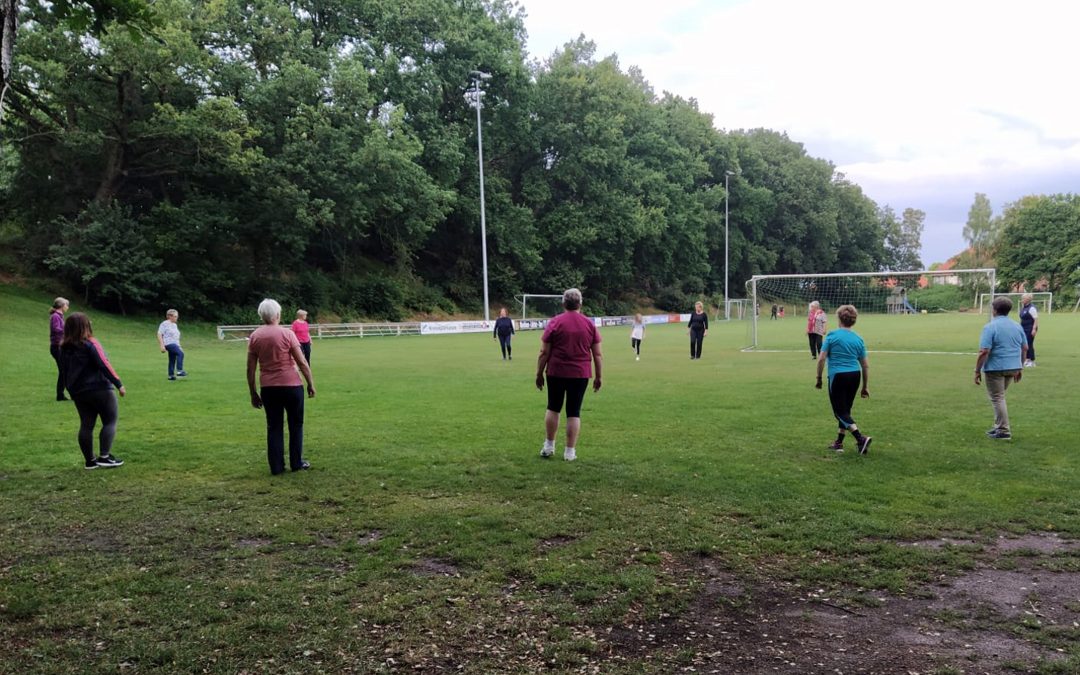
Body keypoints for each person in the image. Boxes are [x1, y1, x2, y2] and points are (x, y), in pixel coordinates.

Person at [247, 298, 317, 475]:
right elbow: (301, 361)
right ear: (277, 314)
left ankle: (277, 467)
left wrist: (253, 392)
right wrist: (310, 383)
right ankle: (296, 463)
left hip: (269, 388)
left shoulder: (255, 336)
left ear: (261, 315)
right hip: (292, 385)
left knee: (274, 426)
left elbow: (250, 368)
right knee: (296, 424)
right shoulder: (287, 334)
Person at [535, 288, 602, 461]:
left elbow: (544, 352)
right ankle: (569, 452)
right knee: (574, 411)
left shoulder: (555, 322)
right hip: (580, 374)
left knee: (553, 407)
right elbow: (597, 354)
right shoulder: (589, 324)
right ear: (581, 303)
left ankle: (549, 446)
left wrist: (539, 373)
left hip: (556, 372)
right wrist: (598, 377)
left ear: (563, 303)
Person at [59, 312, 126, 469]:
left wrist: (69, 389)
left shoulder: (63, 348)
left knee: (86, 425)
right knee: (110, 420)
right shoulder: (90, 343)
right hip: (99, 388)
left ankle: (90, 461)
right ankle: (105, 456)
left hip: (78, 391)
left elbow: (63, 371)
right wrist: (118, 384)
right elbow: (103, 364)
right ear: (85, 326)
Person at [815, 305, 872, 454]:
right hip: (855, 375)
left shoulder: (832, 336)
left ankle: (861, 439)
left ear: (839, 318)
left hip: (838, 376)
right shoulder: (858, 339)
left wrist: (819, 378)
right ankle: (839, 442)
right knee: (845, 409)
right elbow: (865, 366)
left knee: (839, 412)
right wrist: (865, 386)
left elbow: (821, 359)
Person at [975, 297, 1027, 440]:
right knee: (1000, 396)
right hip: (1012, 367)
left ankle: (1004, 431)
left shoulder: (990, 327)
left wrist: (977, 370)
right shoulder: (1017, 326)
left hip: (995, 368)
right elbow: (1024, 348)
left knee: (997, 398)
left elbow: (984, 351)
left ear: (994, 310)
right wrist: (1020, 367)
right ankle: (998, 427)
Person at [157, 309, 186, 380]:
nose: (177, 318)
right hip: (168, 343)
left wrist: (179, 346)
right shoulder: (165, 323)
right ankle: (179, 370)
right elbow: (159, 334)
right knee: (181, 354)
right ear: (170, 316)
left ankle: (171, 376)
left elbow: (176, 337)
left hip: (174, 344)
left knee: (172, 359)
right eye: (175, 316)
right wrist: (162, 345)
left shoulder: (174, 325)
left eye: (177, 316)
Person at [50, 297, 70, 401]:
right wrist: (67, 329)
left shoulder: (60, 316)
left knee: (64, 371)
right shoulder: (56, 316)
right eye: (66, 305)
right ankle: (60, 395)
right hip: (56, 347)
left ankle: (61, 395)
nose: (67, 307)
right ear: (61, 306)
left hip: (60, 347)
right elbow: (56, 329)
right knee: (64, 371)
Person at [1019, 293, 1038, 367]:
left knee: (1029, 343)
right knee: (1023, 343)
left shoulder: (1032, 308)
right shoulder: (1024, 307)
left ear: (1028, 299)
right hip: (1023, 328)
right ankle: (1026, 359)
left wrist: (1034, 329)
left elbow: (1036, 319)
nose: (1022, 300)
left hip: (1030, 328)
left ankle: (1031, 360)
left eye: (1023, 298)